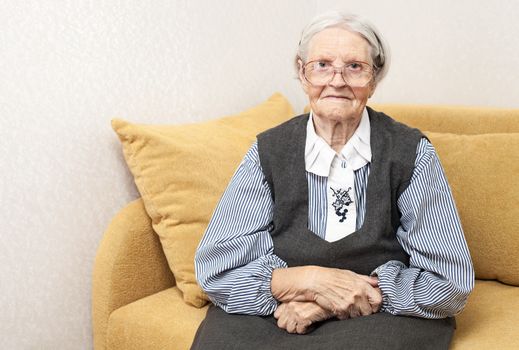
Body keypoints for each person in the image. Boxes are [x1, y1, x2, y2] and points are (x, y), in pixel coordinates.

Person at [192, 11, 474, 350]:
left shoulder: (411, 153)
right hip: (278, 310)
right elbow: (217, 269)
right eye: (322, 65)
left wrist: (329, 301)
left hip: (381, 315)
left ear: (374, 78)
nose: (337, 80)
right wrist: (309, 282)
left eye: (354, 67)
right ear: (301, 72)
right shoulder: (268, 151)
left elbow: (450, 282)